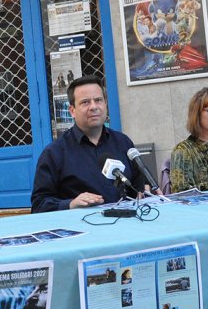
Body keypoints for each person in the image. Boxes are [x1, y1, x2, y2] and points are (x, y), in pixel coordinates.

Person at [31, 75, 148, 213]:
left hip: (128, 224)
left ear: (105, 104)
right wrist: (71, 204)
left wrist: (144, 192)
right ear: (72, 111)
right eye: (85, 102)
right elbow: (39, 205)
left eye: (98, 100)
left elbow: (139, 186)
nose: (94, 107)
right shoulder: (54, 153)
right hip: (84, 228)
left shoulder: (123, 143)